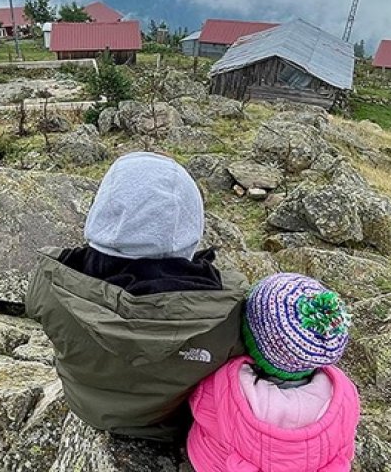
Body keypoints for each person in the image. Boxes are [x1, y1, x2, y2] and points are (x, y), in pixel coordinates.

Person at [25, 151, 248, 440]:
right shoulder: (226, 314)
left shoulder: (48, 282)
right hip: (171, 424)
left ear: (103, 210)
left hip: (85, 406)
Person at [187, 273, 359, 472]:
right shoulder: (345, 394)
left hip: (218, 464)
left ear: (251, 338)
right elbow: (345, 448)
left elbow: (198, 403)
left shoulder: (224, 384)